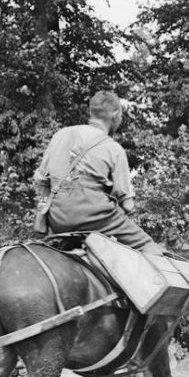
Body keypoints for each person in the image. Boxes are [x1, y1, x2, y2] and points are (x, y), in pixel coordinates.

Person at [34, 91, 163, 255]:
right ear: (115, 115)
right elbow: (128, 206)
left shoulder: (61, 135)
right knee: (150, 248)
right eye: (121, 115)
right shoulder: (113, 148)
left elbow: (43, 181)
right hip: (95, 217)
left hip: (57, 218)